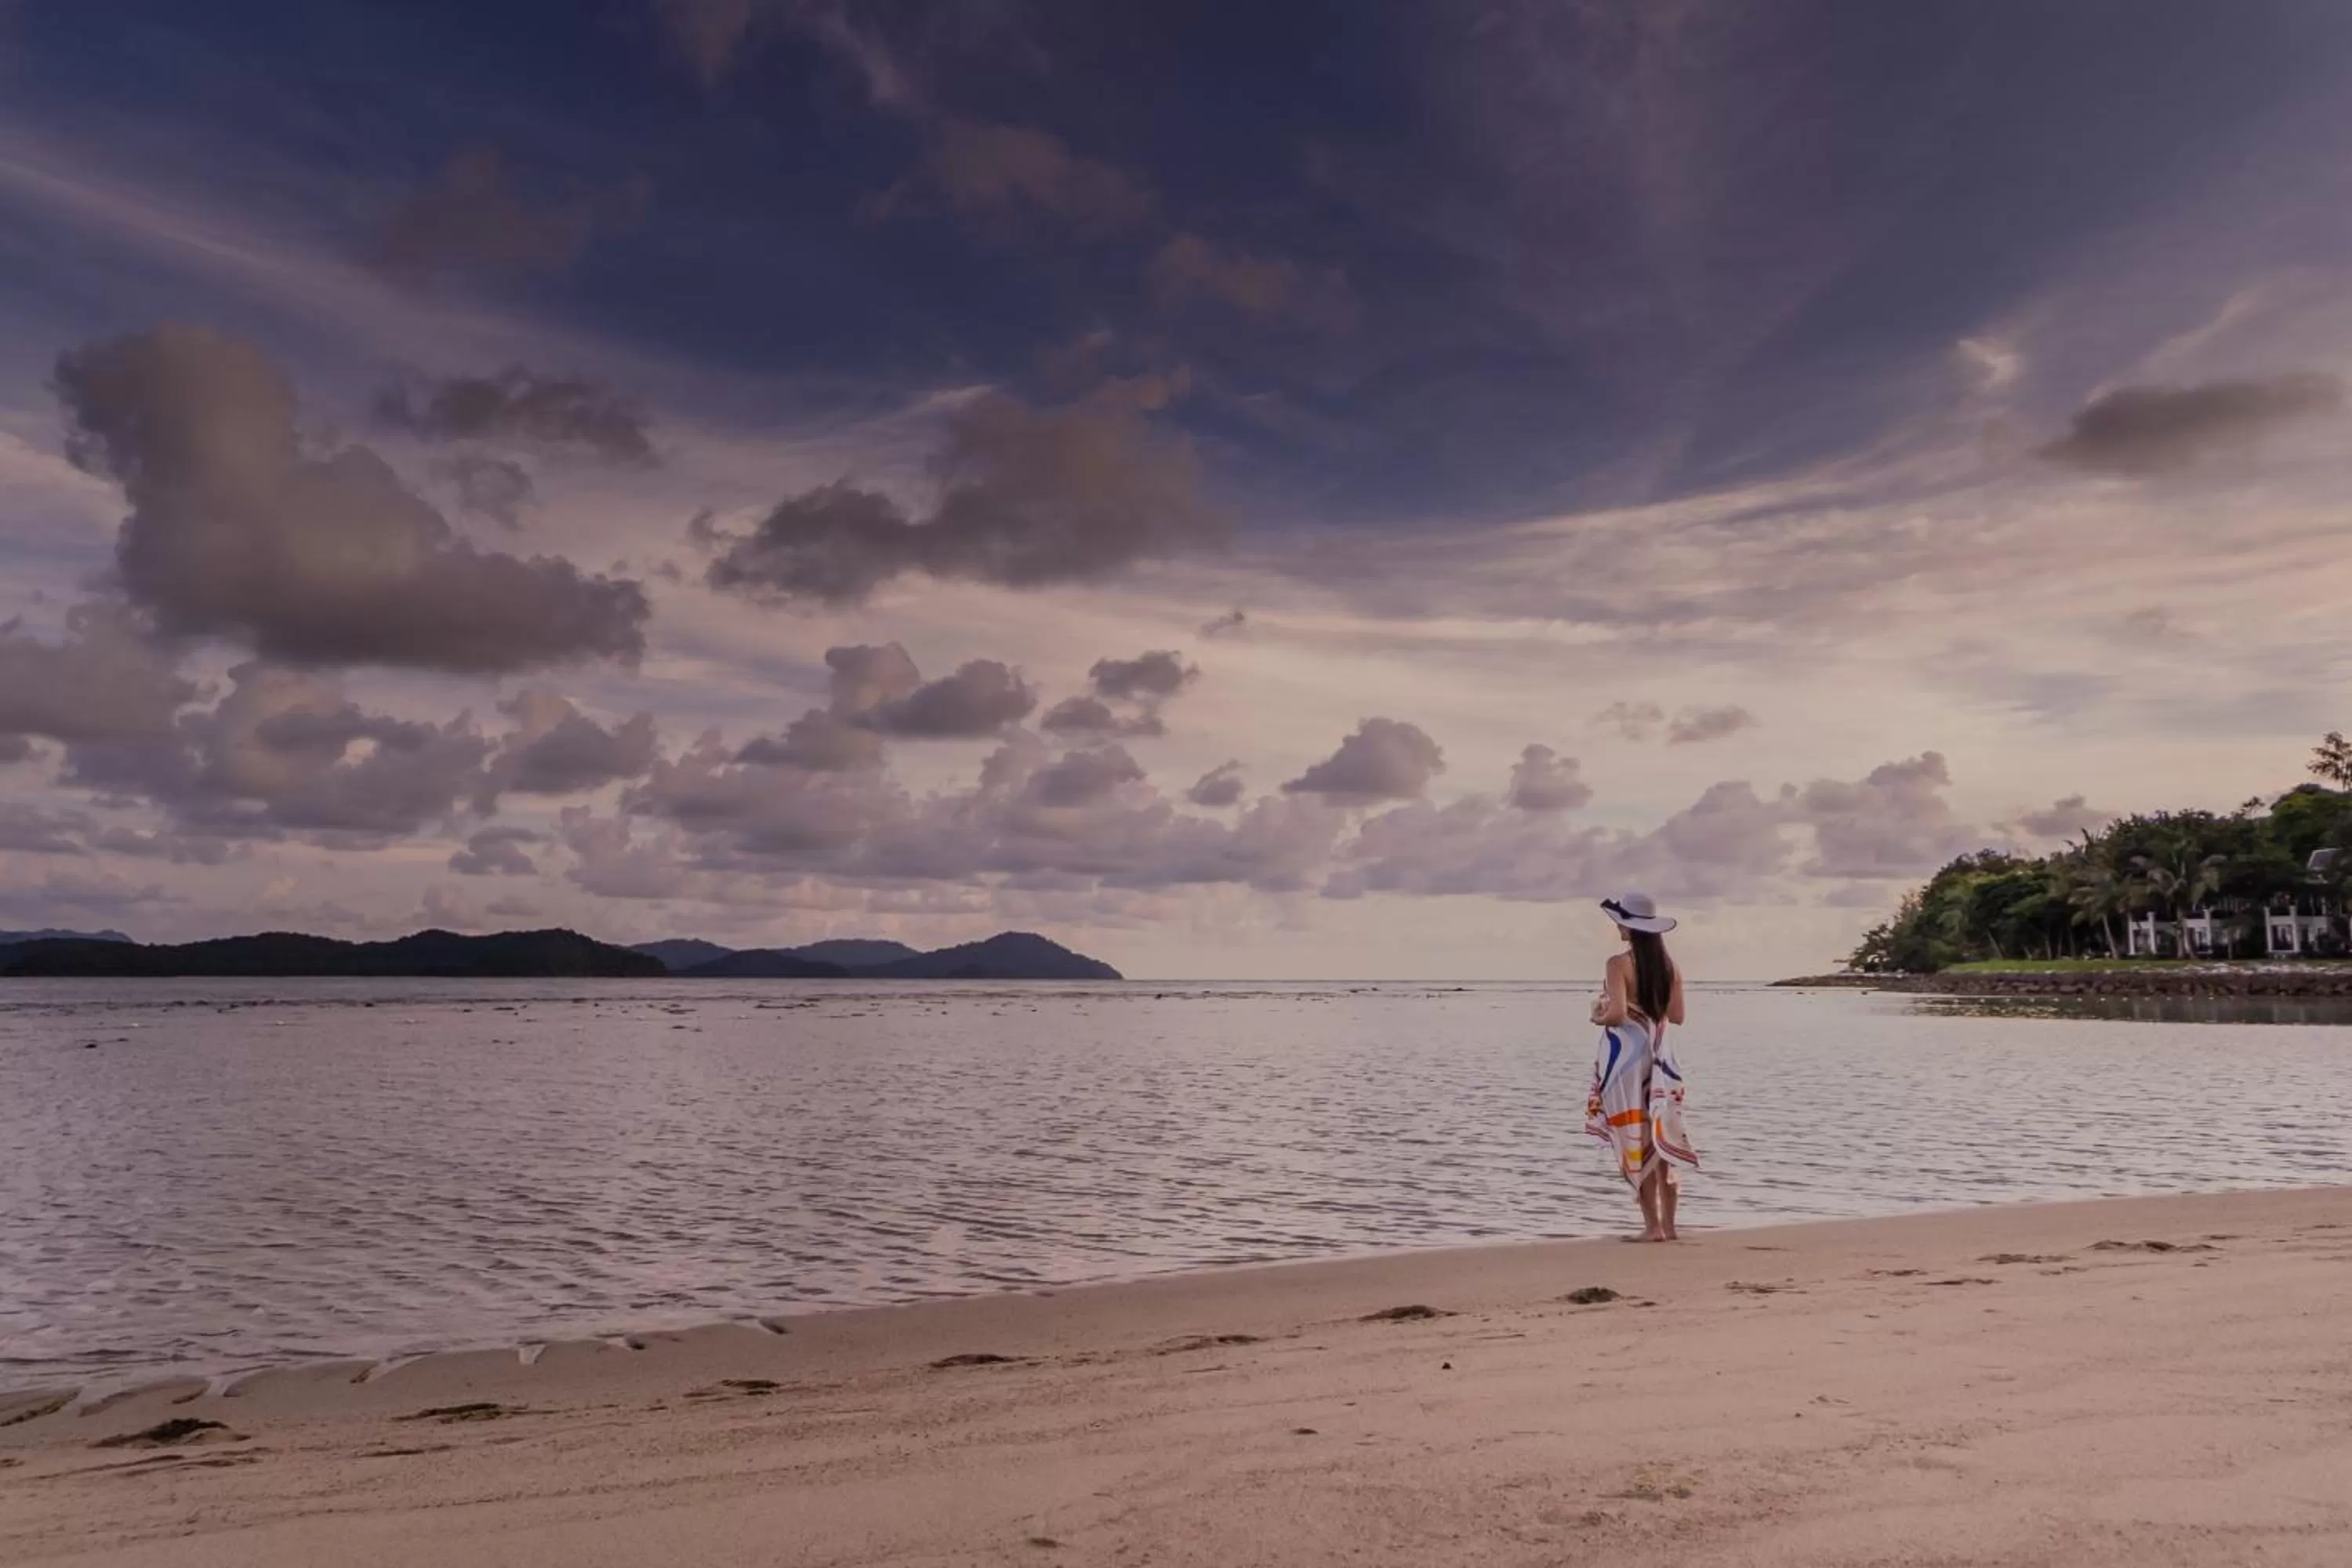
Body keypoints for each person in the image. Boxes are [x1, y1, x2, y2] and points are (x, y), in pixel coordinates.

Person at [1585, 893, 1698, 1241]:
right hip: (1662, 1059)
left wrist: (1598, 1016)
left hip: (1626, 1061)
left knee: (1636, 1137)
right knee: (1662, 1136)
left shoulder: (1618, 964)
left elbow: (1617, 1013)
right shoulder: (1671, 967)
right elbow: (1677, 1016)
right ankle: (1670, 1226)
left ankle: (1652, 1227)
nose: (1618, 928)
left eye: (1621, 923)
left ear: (1630, 928)